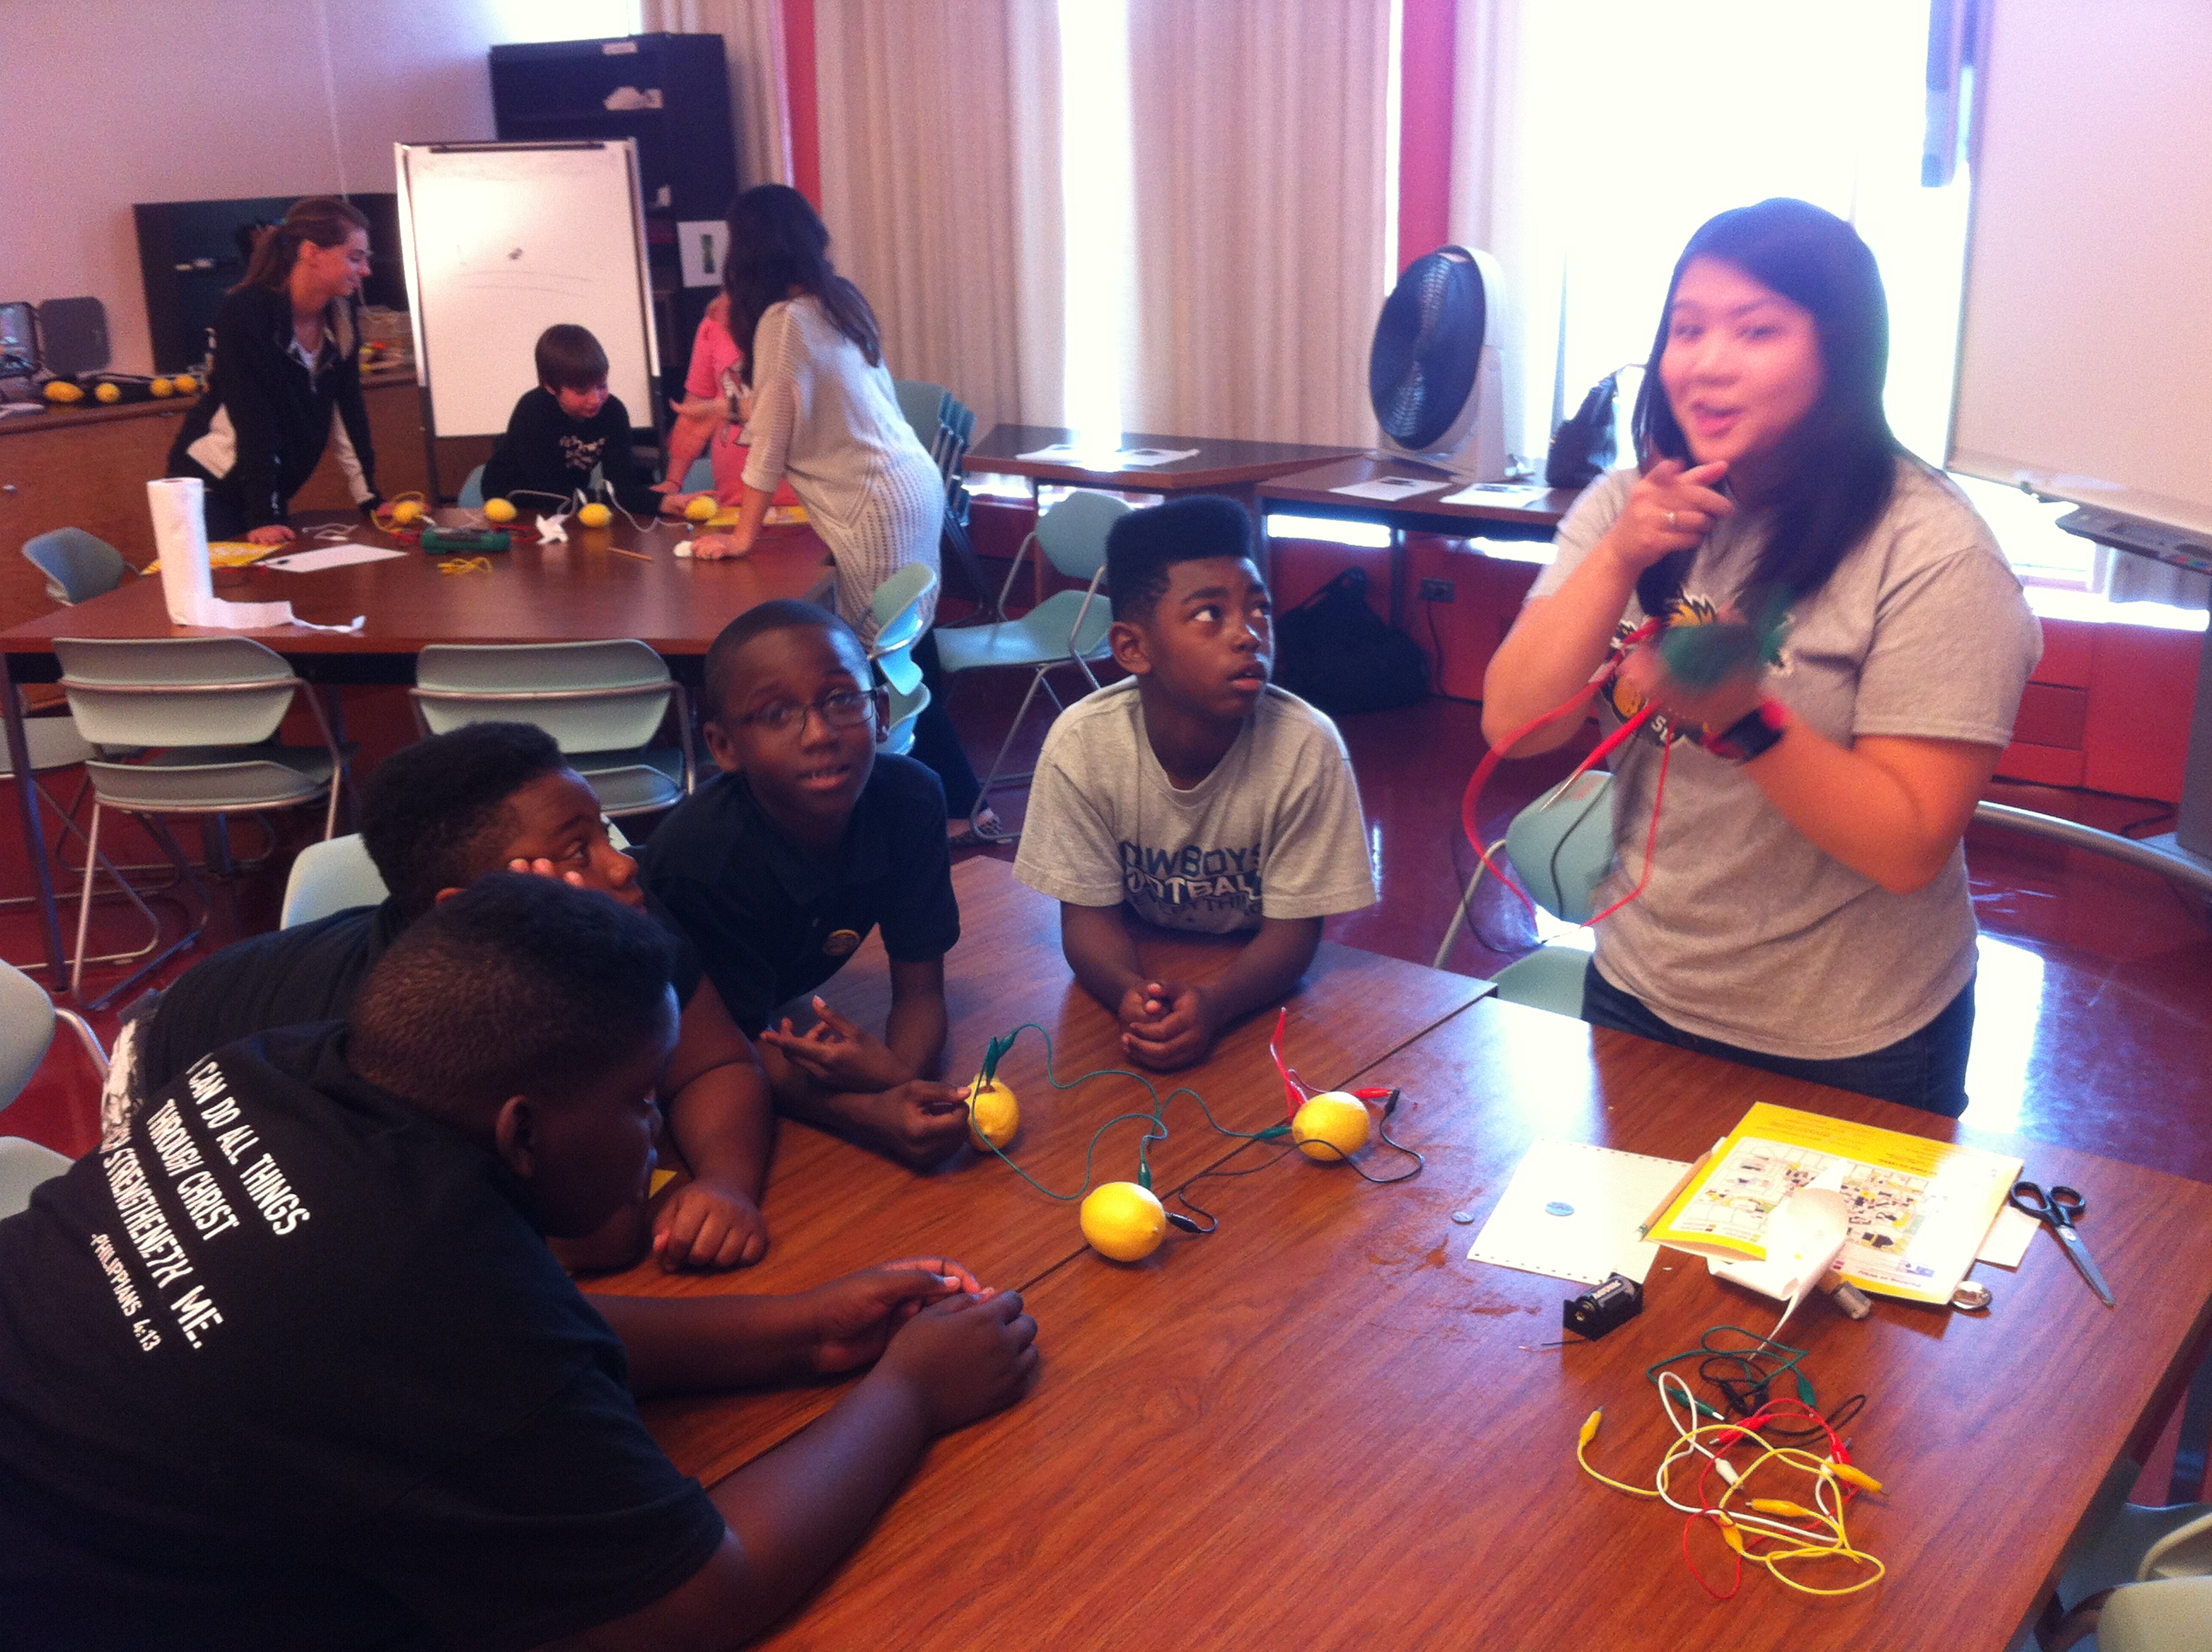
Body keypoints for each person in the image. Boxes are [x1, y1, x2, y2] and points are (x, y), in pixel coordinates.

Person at [0, 875, 1039, 1649]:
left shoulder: (281, 1071)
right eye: (642, 1100)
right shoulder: (409, 1276)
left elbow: (505, 1329)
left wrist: (802, 1328)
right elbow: (695, 1598)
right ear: (523, 1132)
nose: (655, 1135)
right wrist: (910, 1393)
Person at [1480, 198, 2041, 1117]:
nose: (1707, 363)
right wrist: (1620, 554)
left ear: (1842, 352)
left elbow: (1908, 846)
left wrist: (1743, 716)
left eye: (1757, 330)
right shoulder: (1632, 506)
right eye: (1687, 328)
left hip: (1853, 1033)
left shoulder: (1935, 551)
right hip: (1641, 986)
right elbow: (1513, 727)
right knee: (1643, 1254)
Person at [114, 721, 772, 1271]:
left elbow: (718, 1063)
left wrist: (725, 1181)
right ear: (469, 909)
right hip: (167, 1075)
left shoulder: (619, 908)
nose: (623, 863)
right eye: (577, 850)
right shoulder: (408, 1038)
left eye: (603, 831)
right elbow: (589, 1239)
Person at [1012, 497, 1377, 1072]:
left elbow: (1294, 935)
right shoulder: (1082, 744)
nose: (1249, 635)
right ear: (1133, 647)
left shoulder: (1307, 746)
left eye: (1259, 610)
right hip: (1139, 952)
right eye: (1210, 614)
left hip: (1253, 976)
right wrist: (1129, 995)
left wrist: (1216, 1005)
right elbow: (1086, 921)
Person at [684, 183, 990, 834]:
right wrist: (727, 408)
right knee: (905, 650)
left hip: (873, 501)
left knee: (876, 658)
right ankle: (958, 803)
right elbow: (811, 406)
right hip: (907, 483)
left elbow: (772, 440)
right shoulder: (834, 301)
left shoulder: (783, 322)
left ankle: (939, 806)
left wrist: (743, 533)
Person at [642, 601, 975, 1168]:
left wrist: (901, 1081)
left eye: (844, 699)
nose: (820, 733)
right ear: (723, 747)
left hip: (768, 1008)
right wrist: (872, 1115)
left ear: (883, 711)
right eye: (775, 713)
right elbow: (725, 1052)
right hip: (665, 1037)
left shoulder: (912, 801)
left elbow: (920, 990)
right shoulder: (701, 859)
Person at [166, 195, 380, 544]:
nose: (365, 271)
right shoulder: (246, 313)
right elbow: (252, 418)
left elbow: (348, 408)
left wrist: (370, 497)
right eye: (354, 258)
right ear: (311, 252)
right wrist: (263, 514)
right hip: (211, 488)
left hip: (265, 490)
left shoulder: (340, 318)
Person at [479, 323, 661, 515]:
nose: (595, 399)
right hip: (513, 503)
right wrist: (606, 498)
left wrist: (662, 503)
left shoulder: (613, 411)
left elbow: (623, 485)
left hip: (567, 503)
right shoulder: (532, 410)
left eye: (602, 386)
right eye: (581, 391)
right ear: (551, 386)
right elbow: (546, 488)